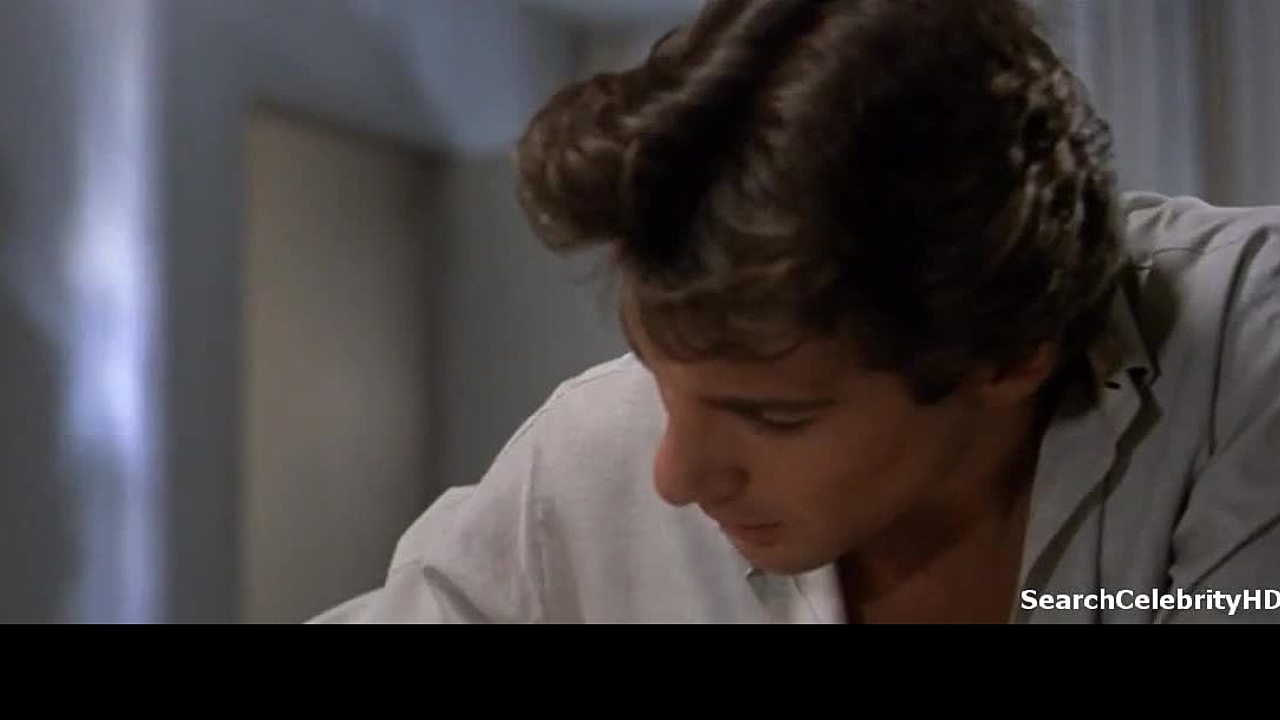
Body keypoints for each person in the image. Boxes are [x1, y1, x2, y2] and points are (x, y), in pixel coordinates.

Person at [312, 0, 1280, 623]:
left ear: (1007, 354)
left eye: (775, 415)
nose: (675, 476)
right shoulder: (592, 454)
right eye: (659, 376)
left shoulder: (1243, 356)